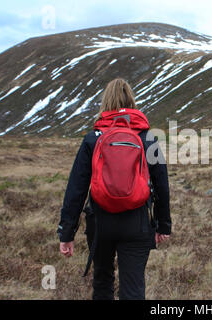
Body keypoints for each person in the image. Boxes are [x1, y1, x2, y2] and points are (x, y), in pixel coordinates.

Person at [57, 78, 171, 300]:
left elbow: (76, 189)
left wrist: (66, 232)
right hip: (137, 223)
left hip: (100, 223)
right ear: (132, 101)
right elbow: (162, 184)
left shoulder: (92, 138)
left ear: (105, 102)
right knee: (134, 287)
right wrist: (163, 225)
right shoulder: (147, 138)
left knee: (102, 281)